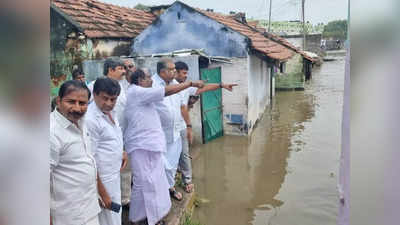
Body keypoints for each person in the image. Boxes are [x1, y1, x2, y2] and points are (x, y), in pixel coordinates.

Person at [123, 69, 204, 225]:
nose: (151, 80)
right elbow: (165, 92)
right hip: (141, 146)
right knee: (144, 183)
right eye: (148, 78)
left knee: (154, 182)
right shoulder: (136, 92)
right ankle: (142, 219)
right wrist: (190, 83)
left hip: (150, 145)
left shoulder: (141, 92)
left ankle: (149, 217)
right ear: (140, 80)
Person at [174, 61, 237, 193]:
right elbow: (182, 108)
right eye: (184, 73)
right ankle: (171, 182)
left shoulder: (186, 87)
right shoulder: (169, 88)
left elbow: (204, 88)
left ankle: (187, 180)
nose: (186, 76)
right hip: (168, 128)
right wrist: (190, 126)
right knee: (170, 155)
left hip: (180, 127)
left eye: (187, 73)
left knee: (184, 154)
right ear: (176, 72)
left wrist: (221, 85)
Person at [50, 80, 100, 225]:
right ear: (58, 101)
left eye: (82, 103)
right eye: (71, 101)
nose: (77, 108)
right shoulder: (50, 132)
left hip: (89, 208)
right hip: (67, 216)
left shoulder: (81, 122)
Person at [86, 77, 128, 225]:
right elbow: (88, 159)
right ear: (95, 94)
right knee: (108, 217)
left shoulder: (111, 112)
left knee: (114, 215)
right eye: (105, 98)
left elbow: (114, 135)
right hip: (102, 179)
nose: (109, 103)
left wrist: (121, 152)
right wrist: (102, 193)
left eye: (113, 99)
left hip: (113, 174)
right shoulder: (90, 119)